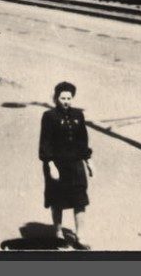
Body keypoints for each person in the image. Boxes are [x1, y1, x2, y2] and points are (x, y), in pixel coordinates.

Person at [39, 81, 93, 250]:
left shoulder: (78, 115)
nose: (66, 101)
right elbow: (45, 142)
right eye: (62, 98)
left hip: (76, 164)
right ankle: (58, 234)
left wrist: (88, 161)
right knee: (57, 200)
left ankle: (80, 237)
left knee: (80, 200)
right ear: (56, 98)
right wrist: (50, 165)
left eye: (69, 98)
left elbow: (82, 140)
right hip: (58, 164)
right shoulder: (49, 116)